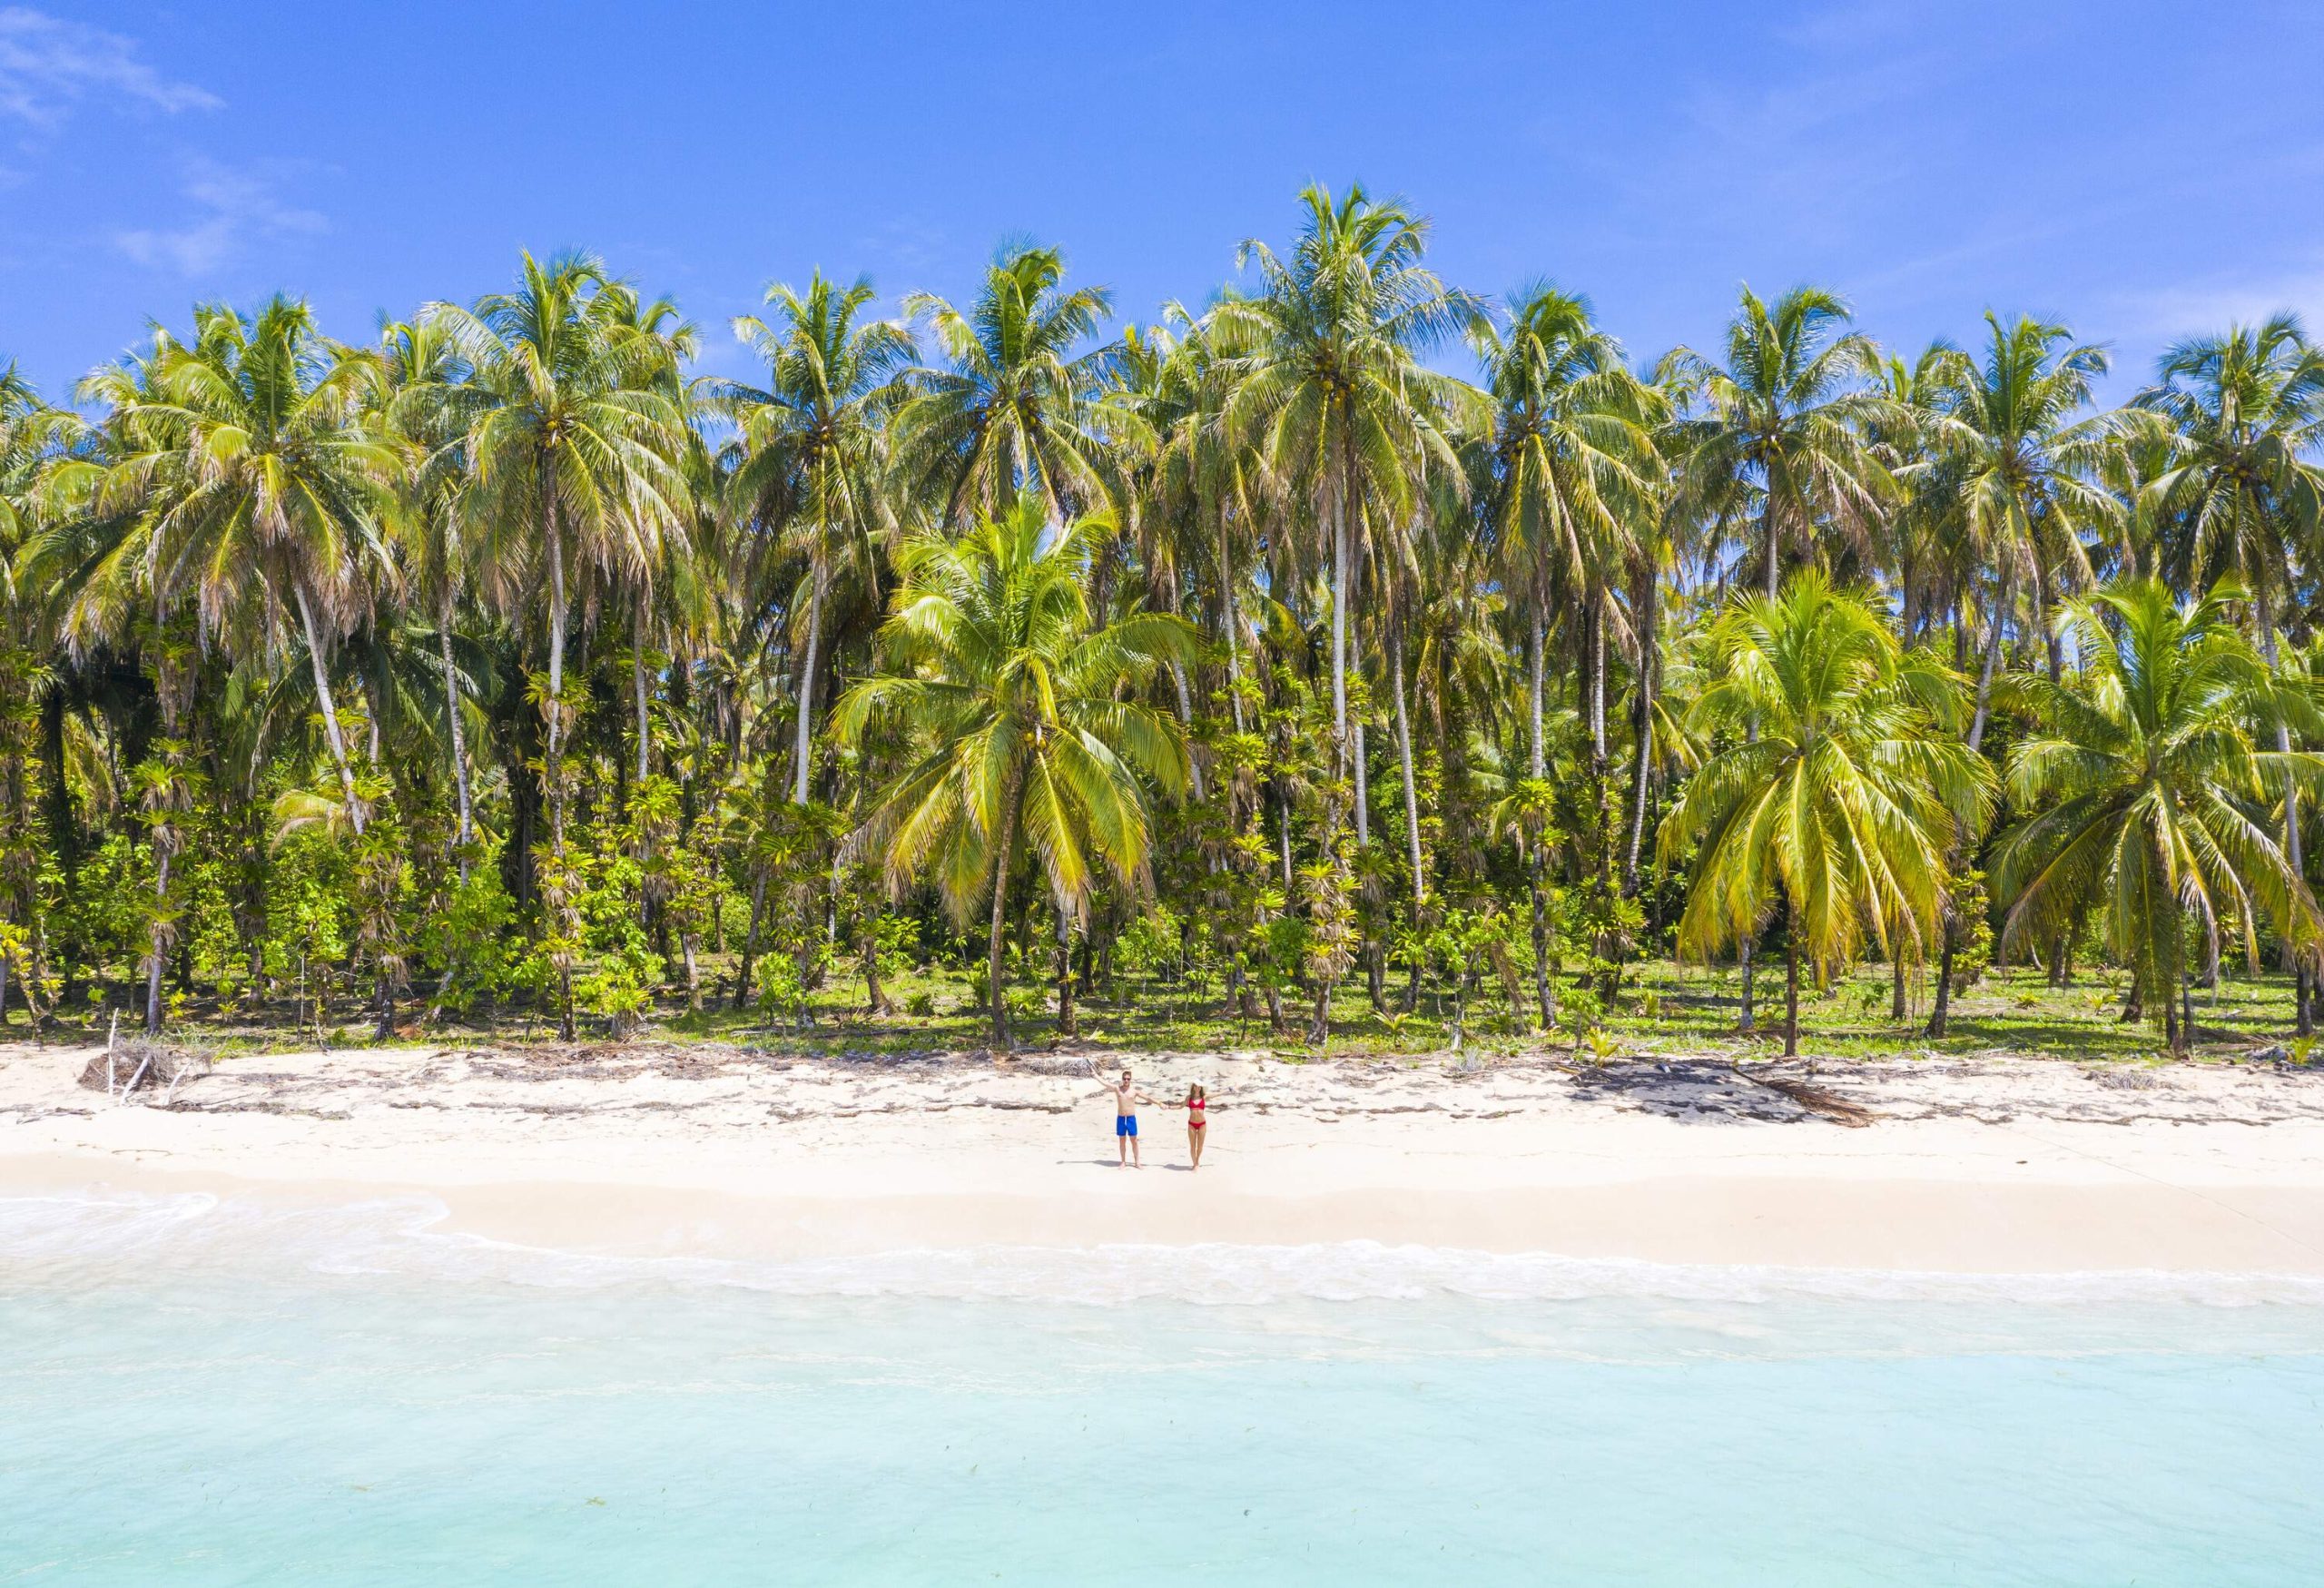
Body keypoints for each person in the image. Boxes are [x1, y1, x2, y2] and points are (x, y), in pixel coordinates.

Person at [1092, 1067, 1153, 1168]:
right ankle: (1123, 1162)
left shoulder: (1134, 1091)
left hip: (1130, 1119)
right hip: (1121, 1119)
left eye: (1128, 1079)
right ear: (1122, 1079)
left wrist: (1160, 1103)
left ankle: (1137, 1162)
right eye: (1124, 1078)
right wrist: (1095, 1075)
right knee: (1122, 1140)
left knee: (1134, 1141)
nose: (1126, 1080)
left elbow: (1147, 1098)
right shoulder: (1117, 1089)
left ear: (1130, 1080)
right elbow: (1105, 1083)